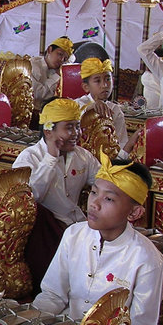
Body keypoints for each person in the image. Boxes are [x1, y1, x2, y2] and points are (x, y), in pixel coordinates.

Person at [33, 152, 163, 325]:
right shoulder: (73, 235)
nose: (94, 204)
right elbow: (53, 295)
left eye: (109, 199)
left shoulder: (148, 261)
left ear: (134, 213)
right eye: (94, 192)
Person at [12, 98, 100, 291]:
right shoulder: (29, 158)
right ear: (49, 131)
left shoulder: (83, 156)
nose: (76, 134)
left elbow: (103, 183)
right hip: (45, 233)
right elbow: (29, 198)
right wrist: (51, 159)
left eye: (77, 127)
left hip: (77, 227)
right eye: (69, 128)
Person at [75, 57, 139, 155]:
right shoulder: (77, 104)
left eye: (108, 79)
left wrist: (130, 144)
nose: (105, 85)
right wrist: (90, 108)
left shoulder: (115, 110)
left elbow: (120, 148)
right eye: (97, 81)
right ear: (86, 87)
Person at [30, 36, 73, 110]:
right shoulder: (34, 65)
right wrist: (56, 76)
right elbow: (38, 94)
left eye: (65, 59)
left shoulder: (60, 72)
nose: (61, 60)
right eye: (60, 54)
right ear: (50, 50)